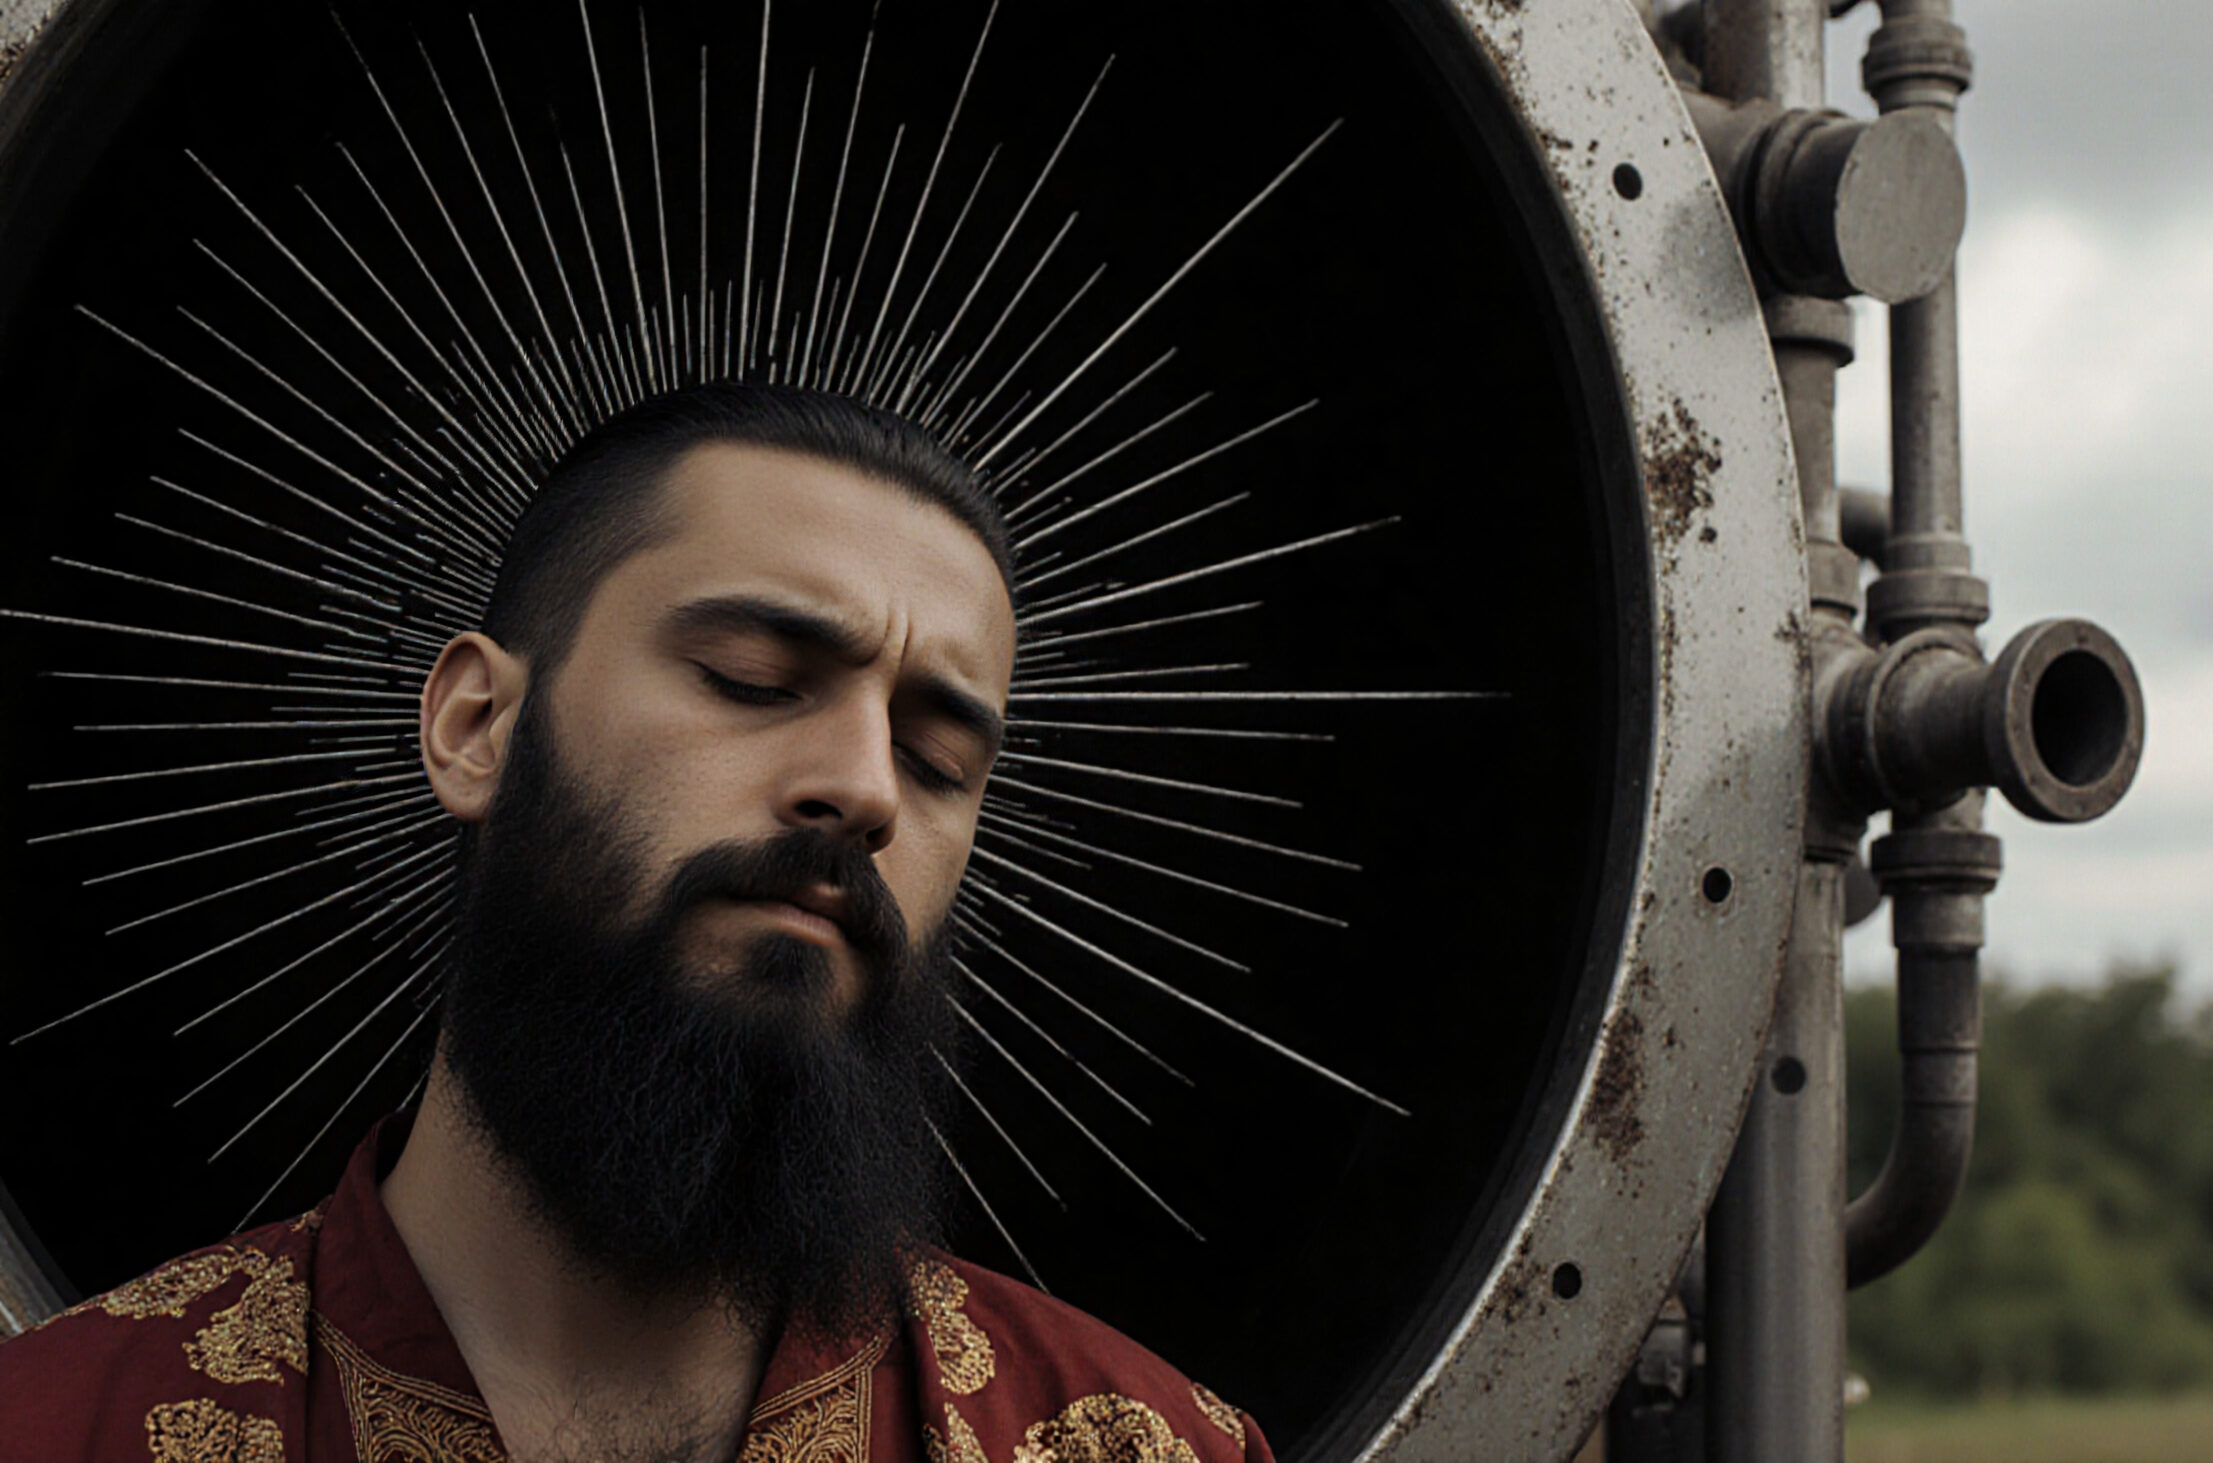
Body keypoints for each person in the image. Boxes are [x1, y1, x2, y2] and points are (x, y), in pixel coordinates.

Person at [0, 383, 1272, 1463]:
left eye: (939, 759)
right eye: (753, 681)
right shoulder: (55, 1425)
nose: (867, 787)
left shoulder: (1142, 1441)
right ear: (475, 727)